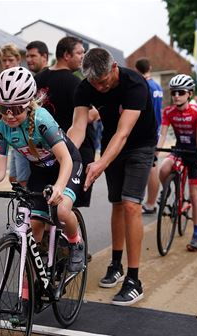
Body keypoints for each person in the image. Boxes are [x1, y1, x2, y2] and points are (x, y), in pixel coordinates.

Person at [68, 48, 158, 306]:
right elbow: (78, 127)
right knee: (117, 203)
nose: (100, 88)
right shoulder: (85, 88)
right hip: (110, 143)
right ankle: (116, 264)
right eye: (95, 83)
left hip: (140, 145)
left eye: (104, 81)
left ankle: (134, 279)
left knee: (131, 205)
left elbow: (124, 133)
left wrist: (99, 164)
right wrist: (65, 156)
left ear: (115, 68)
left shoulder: (135, 84)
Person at [0, 67, 85, 273]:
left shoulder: (42, 120)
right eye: (3, 108)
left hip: (67, 165)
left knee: (61, 210)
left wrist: (59, 187)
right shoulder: (2, 128)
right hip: (41, 171)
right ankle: (32, 285)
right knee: (34, 227)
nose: (9, 115)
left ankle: (75, 242)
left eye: (16, 109)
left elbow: (66, 159)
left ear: (28, 105)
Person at [35, 36, 98, 262]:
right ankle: (71, 246)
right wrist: (98, 112)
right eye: (80, 53)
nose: (82, 58)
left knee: (48, 202)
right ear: (66, 55)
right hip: (75, 149)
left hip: (43, 152)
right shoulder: (76, 83)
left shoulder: (39, 78)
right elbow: (87, 115)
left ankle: (52, 247)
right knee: (68, 203)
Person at [157, 74, 197, 251]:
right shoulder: (168, 112)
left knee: (195, 194)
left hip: (194, 152)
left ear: (189, 94)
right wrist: (156, 151)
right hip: (179, 149)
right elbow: (162, 135)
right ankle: (167, 190)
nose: (176, 95)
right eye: (174, 92)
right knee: (163, 169)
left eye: (181, 92)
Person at [0, 43, 31, 187]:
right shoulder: (3, 79)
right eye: (4, 60)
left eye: (10, 59)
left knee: (23, 179)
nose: (7, 63)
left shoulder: (25, 78)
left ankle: (27, 207)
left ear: (18, 59)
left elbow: (28, 107)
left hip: (25, 134)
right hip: (11, 134)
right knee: (13, 178)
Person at [135, 58, 163, 215]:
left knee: (150, 167)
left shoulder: (144, 85)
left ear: (137, 69)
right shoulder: (157, 86)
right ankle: (151, 202)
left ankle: (150, 203)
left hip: (148, 130)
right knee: (154, 165)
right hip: (158, 128)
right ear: (150, 67)